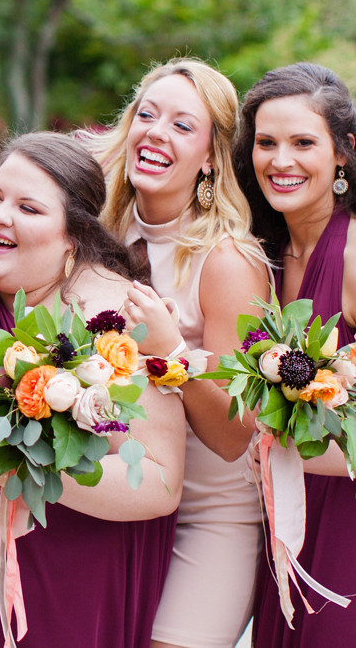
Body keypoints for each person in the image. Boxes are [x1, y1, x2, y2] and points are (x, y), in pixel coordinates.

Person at [0, 131, 185, 647]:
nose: (0, 216)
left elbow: (160, 481)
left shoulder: (115, 316)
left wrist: (24, 462)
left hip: (66, 571)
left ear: (73, 237)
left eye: (29, 208)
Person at [86, 58, 270, 648]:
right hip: (121, 498)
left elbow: (235, 435)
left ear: (211, 156)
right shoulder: (99, 230)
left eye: (182, 125)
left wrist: (170, 352)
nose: (156, 132)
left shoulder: (228, 261)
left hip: (209, 516)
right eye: (147, 114)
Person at [233, 61, 356, 647]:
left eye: (303, 143)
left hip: (345, 536)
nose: (280, 161)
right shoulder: (263, 254)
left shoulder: (353, 255)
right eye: (266, 143)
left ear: (344, 153)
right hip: (283, 531)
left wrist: (279, 452)